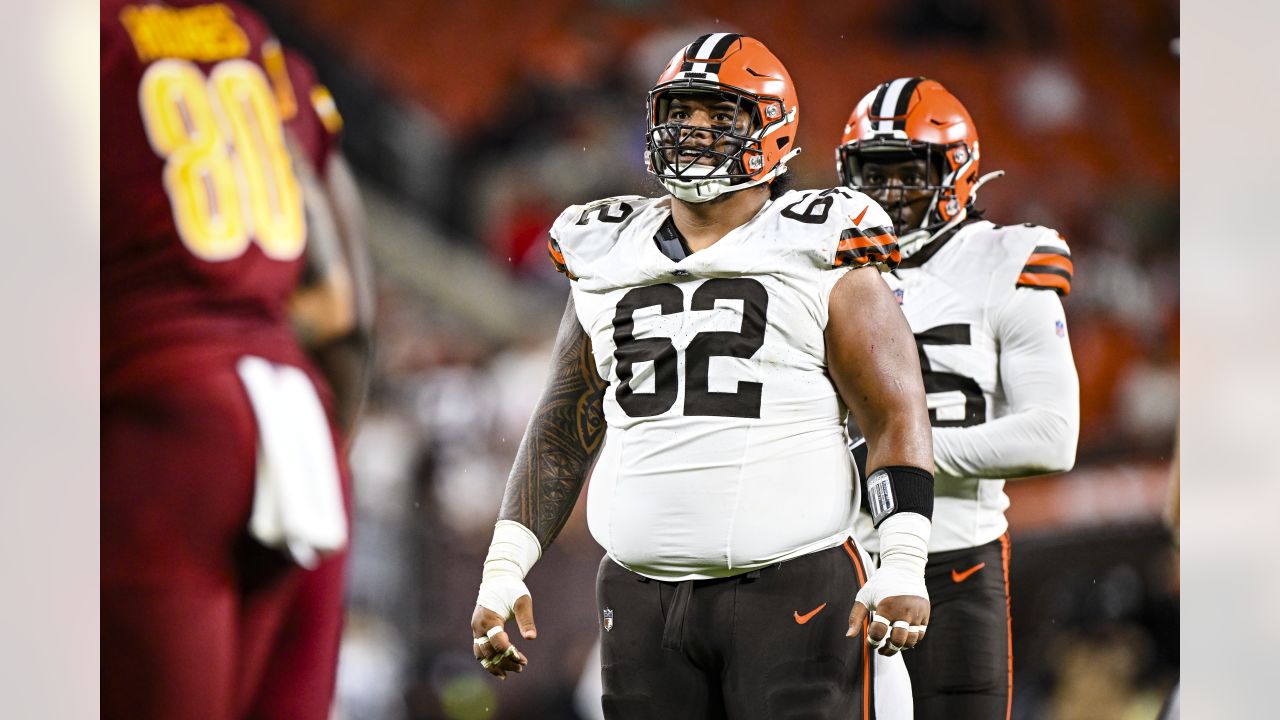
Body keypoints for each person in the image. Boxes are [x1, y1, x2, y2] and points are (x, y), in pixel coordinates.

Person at [468, 34, 936, 719]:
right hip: (639, 600)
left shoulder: (821, 239)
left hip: (794, 589)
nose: (693, 131)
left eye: (720, 117)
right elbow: (566, 423)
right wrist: (504, 564)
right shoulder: (607, 249)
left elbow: (894, 411)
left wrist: (903, 556)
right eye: (681, 113)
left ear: (772, 131)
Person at [101, 1, 372, 717]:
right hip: (298, 425)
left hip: (165, 421)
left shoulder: (72, 40)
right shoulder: (257, 43)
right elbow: (347, 307)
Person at [836, 77, 1080, 720]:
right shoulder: (821, 262)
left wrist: (898, 459)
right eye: (871, 174)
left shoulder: (1005, 260)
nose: (887, 194)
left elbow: (1052, 436)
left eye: (906, 173)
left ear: (957, 173)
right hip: (838, 559)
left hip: (955, 560)